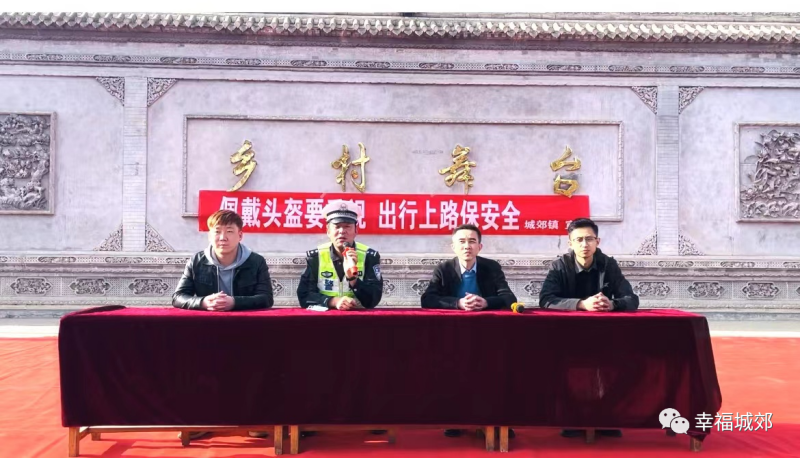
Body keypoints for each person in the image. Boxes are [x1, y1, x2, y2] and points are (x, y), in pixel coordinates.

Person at [172, 209, 274, 441]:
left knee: (253, 372)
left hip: (247, 332)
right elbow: (178, 297)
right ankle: (202, 420)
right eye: (217, 232)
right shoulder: (197, 261)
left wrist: (234, 302)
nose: (222, 237)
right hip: (207, 333)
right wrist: (203, 302)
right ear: (210, 235)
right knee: (199, 373)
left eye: (229, 231)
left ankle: (254, 419)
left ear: (240, 235)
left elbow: (266, 298)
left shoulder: (256, 262)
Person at [538, 218, 639, 439]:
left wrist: (612, 304)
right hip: (567, 335)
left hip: (605, 335)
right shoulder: (560, 266)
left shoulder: (608, 265)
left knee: (633, 364)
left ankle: (605, 413)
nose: (585, 244)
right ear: (570, 243)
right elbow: (546, 299)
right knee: (553, 364)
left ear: (597, 241)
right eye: (579, 240)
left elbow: (631, 299)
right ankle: (573, 416)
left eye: (589, 239)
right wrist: (582, 304)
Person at [421, 223, 517, 438]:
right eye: (462, 242)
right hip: (454, 333)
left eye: (472, 241)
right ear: (453, 247)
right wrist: (458, 304)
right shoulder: (444, 269)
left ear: (479, 247)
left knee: (493, 375)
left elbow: (509, 297)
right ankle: (456, 418)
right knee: (454, 374)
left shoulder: (491, 267)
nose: (467, 246)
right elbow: (427, 299)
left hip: (488, 333)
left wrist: (486, 302)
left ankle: (496, 420)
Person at [297, 199, 383, 310]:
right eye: (337, 226)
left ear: (356, 230)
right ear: (328, 231)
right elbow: (304, 296)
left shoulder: (369, 256)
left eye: (347, 226)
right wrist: (333, 301)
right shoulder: (316, 257)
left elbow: (373, 300)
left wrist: (353, 280)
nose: (342, 231)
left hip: (358, 317)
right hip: (325, 317)